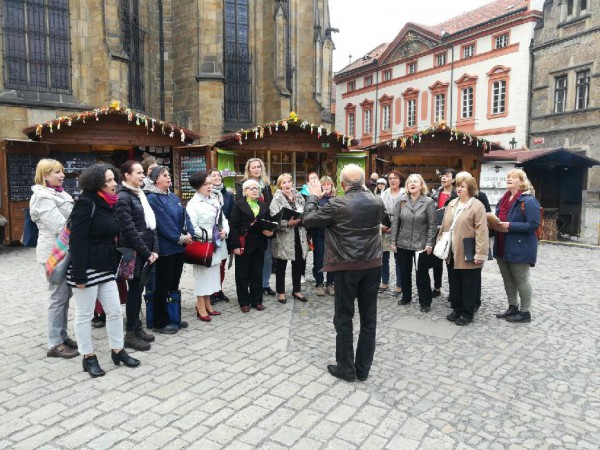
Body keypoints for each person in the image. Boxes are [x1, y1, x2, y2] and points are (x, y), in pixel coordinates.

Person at [302, 164, 385, 382]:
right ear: (363, 181)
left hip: (346, 265)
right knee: (369, 319)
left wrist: (312, 197)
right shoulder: (377, 200)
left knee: (344, 318)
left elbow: (309, 219)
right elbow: (384, 219)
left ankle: (347, 369)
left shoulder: (338, 203)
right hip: (372, 264)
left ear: (342, 184)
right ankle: (363, 369)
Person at [67, 163, 140, 378]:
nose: (114, 183)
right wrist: (79, 274)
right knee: (85, 315)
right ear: (97, 183)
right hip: (86, 269)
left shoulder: (108, 203)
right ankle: (88, 356)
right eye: (108, 180)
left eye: (113, 179)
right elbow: (76, 240)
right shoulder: (85, 203)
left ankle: (118, 351)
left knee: (115, 311)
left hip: (106, 268)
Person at [29, 159, 78, 359]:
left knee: (65, 296)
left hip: (66, 250)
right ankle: (54, 343)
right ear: (45, 175)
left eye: (62, 171)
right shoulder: (41, 196)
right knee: (57, 297)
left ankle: (62, 335)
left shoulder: (59, 192)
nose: (62, 175)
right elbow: (60, 226)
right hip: (54, 252)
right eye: (57, 172)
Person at [114, 160, 159, 351]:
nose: (142, 176)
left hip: (146, 250)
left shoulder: (139, 194)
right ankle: (130, 333)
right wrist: (147, 252)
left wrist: (154, 249)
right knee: (133, 292)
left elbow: (151, 225)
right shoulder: (123, 197)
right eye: (139, 173)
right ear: (127, 175)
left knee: (138, 290)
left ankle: (136, 326)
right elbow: (129, 231)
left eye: (143, 173)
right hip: (133, 252)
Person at [145, 166, 193, 334]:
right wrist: (180, 237)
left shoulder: (173, 196)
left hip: (179, 248)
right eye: (164, 175)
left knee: (174, 283)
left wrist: (190, 233)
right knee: (162, 285)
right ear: (156, 179)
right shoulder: (152, 198)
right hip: (166, 248)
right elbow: (163, 222)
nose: (168, 177)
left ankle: (173, 317)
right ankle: (159, 321)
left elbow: (185, 216)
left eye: (169, 175)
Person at [437, 171, 489, 326]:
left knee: (469, 283)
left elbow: (482, 231)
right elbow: (445, 225)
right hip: (452, 249)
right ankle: (456, 308)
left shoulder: (477, 205)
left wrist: (480, 253)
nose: (459, 189)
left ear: (470, 188)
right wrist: (440, 240)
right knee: (454, 281)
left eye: (463, 186)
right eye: (458, 186)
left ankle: (467, 312)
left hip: (469, 249)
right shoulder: (452, 203)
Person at [494, 169, 540, 323]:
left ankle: (525, 312)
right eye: (508, 177)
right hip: (502, 244)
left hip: (519, 246)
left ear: (521, 182)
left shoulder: (528, 201)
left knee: (521, 279)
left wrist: (510, 225)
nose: (509, 179)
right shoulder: (504, 199)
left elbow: (533, 225)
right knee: (507, 278)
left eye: (513, 177)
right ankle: (513, 306)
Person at [186, 171, 230, 322]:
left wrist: (225, 231)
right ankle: (200, 306)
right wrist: (212, 235)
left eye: (210, 183)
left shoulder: (214, 200)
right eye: (205, 184)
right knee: (202, 277)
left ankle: (208, 303)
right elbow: (192, 226)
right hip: (203, 245)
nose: (209, 186)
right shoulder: (193, 204)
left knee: (212, 276)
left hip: (217, 244)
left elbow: (223, 219)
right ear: (198, 187)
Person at [390, 174, 437, 312]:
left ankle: (425, 301)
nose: (412, 184)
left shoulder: (428, 202)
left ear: (421, 185)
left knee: (421, 273)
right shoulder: (402, 201)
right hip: (403, 243)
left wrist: (430, 243)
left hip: (421, 244)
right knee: (404, 272)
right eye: (410, 182)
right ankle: (406, 296)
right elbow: (395, 223)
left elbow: (432, 225)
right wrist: (393, 240)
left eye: (415, 181)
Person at [228, 179, 274, 312]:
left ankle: (257, 300)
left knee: (257, 273)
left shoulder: (263, 205)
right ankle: (244, 301)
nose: (254, 190)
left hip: (259, 244)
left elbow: (269, 223)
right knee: (242, 274)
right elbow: (234, 226)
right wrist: (235, 245)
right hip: (244, 244)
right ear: (245, 191)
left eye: (256, 188)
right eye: (251, 188)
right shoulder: (239, 204)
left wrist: (270, 232)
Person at [235, 158, 275, 296]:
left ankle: (265, 284)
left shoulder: (266, 185)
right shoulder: (242, 185)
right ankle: (248, 291)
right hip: (249, 229)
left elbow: (270, 205)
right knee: (250, 261)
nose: (257, 169)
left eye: (259, 166)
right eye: (253, 167)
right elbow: (239, 206)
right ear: (248, 170)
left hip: (264, 226)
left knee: (267, 257)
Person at [270, 173, 309, 304]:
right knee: (281, 265)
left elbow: (306, 212)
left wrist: (304, 218)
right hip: (284, 236)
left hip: (300, 234)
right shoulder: (276, 200)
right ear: (280, 186)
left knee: (298, 264)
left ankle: (296, 290)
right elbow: (274, 219)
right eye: (283, 182)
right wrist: (287, 223)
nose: (287, 184)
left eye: (289, 181)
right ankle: (281, 292)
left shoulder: (300, 197)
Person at [429, 168, 456, 298]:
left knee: (451, 262)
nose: (443, 178)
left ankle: (453, 290)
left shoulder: (457, 195)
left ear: (454, 179)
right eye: (442, 176)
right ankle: (437, 287)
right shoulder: (435, 193)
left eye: (447, 176)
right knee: (436, 261)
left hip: (451, 231)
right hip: (436, 230)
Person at [208, 168, 234, 305]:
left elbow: (230, 215)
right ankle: (211, 292)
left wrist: (226, 229)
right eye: (214, 175)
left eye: (219, 175)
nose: (217, 177)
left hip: (225, 233)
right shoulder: (206, 194)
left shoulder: (228, 195)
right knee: (212, 265)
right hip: (210, 236)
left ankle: (218, 290)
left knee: (222, 264)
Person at [309, 176, 336, 296]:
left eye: (328, 184)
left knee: (332, 259)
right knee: (318, 259)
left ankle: (330, 283)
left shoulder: (336, 199)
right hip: (319, 233)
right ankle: (319, 283)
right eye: (324, 184)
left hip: (332, 234)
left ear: (332, 186)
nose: (326, 186)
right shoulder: (317, 199)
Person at [380, 170, 404, 297]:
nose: (393, 180)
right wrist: (381, 226)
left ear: (400, 180)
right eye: (390, 178)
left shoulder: (405, 194)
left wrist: (395, 228)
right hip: (385, 227)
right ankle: (384, 282)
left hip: (400, 228)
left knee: (399, 259)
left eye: (395, 178)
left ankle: (399, 285)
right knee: (383, 257)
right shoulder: (383, 194)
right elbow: (378, 211)